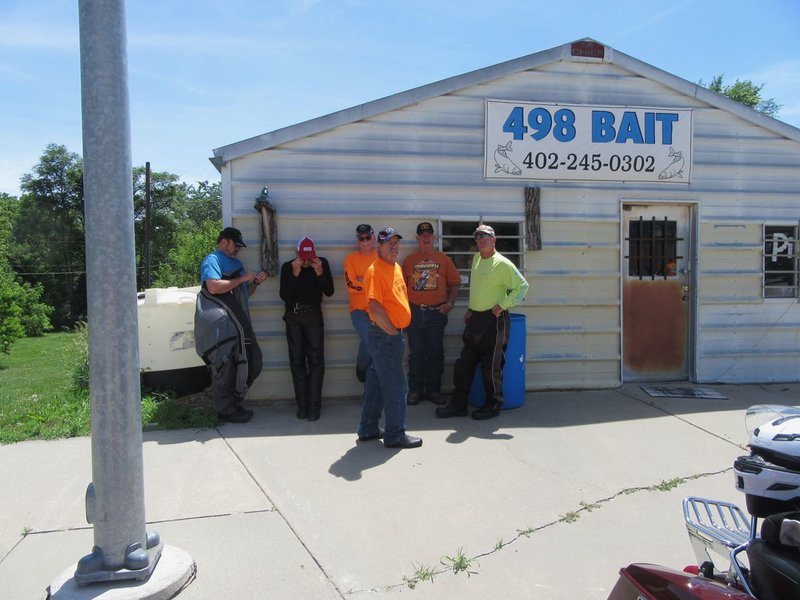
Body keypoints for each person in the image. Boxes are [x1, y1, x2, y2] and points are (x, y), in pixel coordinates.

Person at [436, 224, 529, 420]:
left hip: (494, 320)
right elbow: (478, 288)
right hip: (475, 319)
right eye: (478, 237)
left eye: (486, 236)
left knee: (491, 366)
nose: (481, 240)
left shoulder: (502, 264)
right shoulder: (477, 258)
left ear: (494, 240)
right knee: (464, 365)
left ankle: (493, 405)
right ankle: (459, 405)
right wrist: (471, 308)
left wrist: (502, 305)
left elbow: (522, 287)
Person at [357, 227, 422, 449]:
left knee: (377, 381)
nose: (393, 247)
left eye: (396, 243)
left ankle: (368, 428)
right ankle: (395, 434)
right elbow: (374, 308)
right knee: (397, 385)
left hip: (389, 334)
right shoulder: (375, 271)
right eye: (388, 243)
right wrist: (393, 333)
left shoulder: (394, 267)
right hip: (385, 335)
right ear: (379, 246)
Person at [195, 227, 267, 423]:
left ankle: (234, 401)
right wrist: (243, 278)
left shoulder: (237, 264)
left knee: (253, 362)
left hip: (240, 324)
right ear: (224, 241)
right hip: (222, 326)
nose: (238, 250)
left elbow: (244, 294)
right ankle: (225, 409)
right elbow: (213, 286)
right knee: (224, 367)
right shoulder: (213, 260)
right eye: (236, 245)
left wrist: (255, 283)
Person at [402, 222, 460, 406]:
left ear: (433, 238)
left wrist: (449, 304)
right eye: (422, 235)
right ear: (417, 239)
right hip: (415, 313)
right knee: (416, 353)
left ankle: (434, 390)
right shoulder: (409, 261)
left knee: (436, 353)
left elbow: (455, 283)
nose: (426, 238)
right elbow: (400, 288)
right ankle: (415, 391)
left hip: (437, 313)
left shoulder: (444, 260)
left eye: (429, 235)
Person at [279, 236, 334, 421]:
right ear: (297, 253)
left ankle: (314, 406)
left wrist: (319, 272)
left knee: (316, 361)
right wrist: (294, 273)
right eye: (303, 257)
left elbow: (329, 291)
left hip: (314, 316)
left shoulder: (321, 263)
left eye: (310, 257)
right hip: (294, 317)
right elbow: (284, 295)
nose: (307, 261)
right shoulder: (288, 266)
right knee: (297, 361)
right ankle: (302, 406)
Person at [343, 224, 377, 383]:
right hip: (359, 311)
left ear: (374, 237)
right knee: (370, 341)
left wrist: (362, 281)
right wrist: (371, 283)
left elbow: (388, 283)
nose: (365, 241)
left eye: (367, 237)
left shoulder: (382, 257)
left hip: (380, 310)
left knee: (377, 348)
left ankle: (370, 393)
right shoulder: (350, 259)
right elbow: (351, 286)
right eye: (361, 238)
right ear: (358, 240)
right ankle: (361, 367)